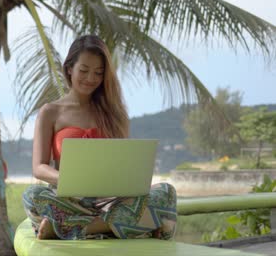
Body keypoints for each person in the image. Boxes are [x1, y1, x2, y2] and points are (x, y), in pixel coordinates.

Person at [22, 35, 177, 240]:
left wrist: (131, 184)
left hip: (112, 200)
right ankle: (129, 226)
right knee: (32, 196)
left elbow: (123, 164)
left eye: (98, 73)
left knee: (167, 192)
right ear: (70, 68)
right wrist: (69, 180)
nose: (90, 78)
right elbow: (39, 167)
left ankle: (80, 229)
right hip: (71, 200)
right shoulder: (50, 111)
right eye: (84, 71)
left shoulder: (115, 113)